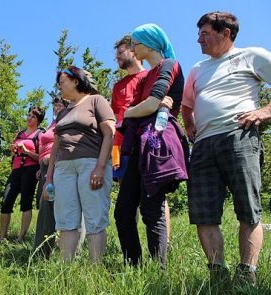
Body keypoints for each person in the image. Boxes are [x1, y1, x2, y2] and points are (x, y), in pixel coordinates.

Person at [181, 12, 271, 286]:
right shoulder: (198, 68)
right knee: (203, 212)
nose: (199, 39)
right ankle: (218, 274)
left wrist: (263, 112)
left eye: (205, 34)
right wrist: (189, 126)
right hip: (204, 145)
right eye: (199, 34)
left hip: (239, 137)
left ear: (226, 33)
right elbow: (186, 105)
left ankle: (247, 274)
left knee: (248, 207)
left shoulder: (251, 55)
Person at [115, 24, 188, 268]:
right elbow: (145, 105)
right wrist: (141, 108)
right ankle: (133, 267)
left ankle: (159, 270)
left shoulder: (169, 65)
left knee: (151, 209)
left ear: (148, 43)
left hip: (158, 142)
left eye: (136, 44)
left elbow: (152, 103)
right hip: (139, 145)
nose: (133, 49)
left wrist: (137, 110)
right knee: (123, 212)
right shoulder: (147, 75)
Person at [44, 66, 115, 262]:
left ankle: (94, 271)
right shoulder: (62, 113)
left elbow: (109, 133)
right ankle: (67, 272)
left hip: (90, 164)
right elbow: (55, 147)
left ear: (76, 80)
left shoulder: (96, 100)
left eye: (63, 81)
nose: (59, 85)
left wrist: (100, 167)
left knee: (94, 219)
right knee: (66, 220)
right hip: (63, 169)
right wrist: (49, 178)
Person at [111, 34, 173, 249]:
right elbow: (115, 117)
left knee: (154, 201)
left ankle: (163, 247)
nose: (117, 57)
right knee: (126, 206)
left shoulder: (150, 76)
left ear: (133, 51)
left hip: (148, 145)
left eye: (121, 52)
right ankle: (133, 262)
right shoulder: (118, 85)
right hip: (123, 148)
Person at [0, 106, 45, 243]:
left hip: (31, 170)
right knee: (6, 200)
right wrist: (13, 148)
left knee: (26, 202)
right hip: (16, 169)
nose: (29, 118)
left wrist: (27, 151)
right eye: (29, 115)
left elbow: (41, 157)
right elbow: (13, 153)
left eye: (33, 116)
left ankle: (21, 237)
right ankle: (2, 237)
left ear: (38, 120)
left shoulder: (39, 134)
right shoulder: (20, 134)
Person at [33, 97, 67, 257]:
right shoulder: (51, 124)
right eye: (55, 105)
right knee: (45, 206)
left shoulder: (67, 121)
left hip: (57, 166)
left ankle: (58, 249)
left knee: (54, 205)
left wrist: (51, 161)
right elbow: (44, 147)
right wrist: (41, 165)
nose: (56, 108)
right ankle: (45, 249)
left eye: (60, 105)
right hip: (45, 168)